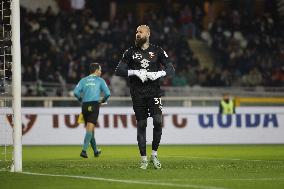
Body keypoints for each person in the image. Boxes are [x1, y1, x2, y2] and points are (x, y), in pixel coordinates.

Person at [115, 25, 175, 169]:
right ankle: (143, 158)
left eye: (140, 32)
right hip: (137, 93)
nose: (137, 34)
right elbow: (119, 70)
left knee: (158, 121)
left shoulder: (158, 50)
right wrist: (135, 72)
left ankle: (154, 155)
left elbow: (171, 69)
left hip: (154, 92)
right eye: (136, 32)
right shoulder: (130, 52)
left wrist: (158, 74)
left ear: (148, 33)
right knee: (142, 124)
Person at [74, 63, 111, 158]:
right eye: (100, 70)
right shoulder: (100, 80)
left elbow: (75, 92)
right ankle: (84, 151)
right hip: (94, 105)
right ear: (96, 70)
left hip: (84, 105)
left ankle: (95, 151)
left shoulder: (83, 80)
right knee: (90, 129)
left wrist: (80, 99)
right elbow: (107, 93)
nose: (101, 72)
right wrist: (103, 101)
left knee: (90, 130)